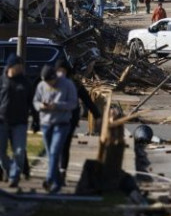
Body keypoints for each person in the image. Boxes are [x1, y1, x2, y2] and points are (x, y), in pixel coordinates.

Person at [55, 60, 101, 186]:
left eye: (62, 71)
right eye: (58, 71)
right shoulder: (54, 83)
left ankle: (62, 171)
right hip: (56, 118)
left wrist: (97, 115)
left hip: (70, 118)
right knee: (56, 146)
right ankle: (56, 171)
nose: (60, 74)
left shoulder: (74, 84)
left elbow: (86, 99)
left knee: (65, 144)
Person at [33, 65, 76, 194]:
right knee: (50, 154)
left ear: (54, 77)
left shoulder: (67, 84)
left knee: (55, 151)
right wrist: (41, 106)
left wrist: (56, 106)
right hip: (46, 123)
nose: (48, 84)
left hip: (61, 124)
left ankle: (49, 179)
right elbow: (35, 101)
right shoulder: (41, 85)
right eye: (45, 82)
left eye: (50, 82)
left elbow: (73, 103)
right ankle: (57, 184)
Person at [0, 55, 33, 187]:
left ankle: (14, 176)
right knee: (1, 153)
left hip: (20, 122)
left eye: (21, 67)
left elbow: (31, 102)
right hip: (2, 121)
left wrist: (35, 119)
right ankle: (8, 169)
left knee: (19, 152)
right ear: (10, 67)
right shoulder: (1, 81)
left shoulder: (25, 82)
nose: (19, 69)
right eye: (16, 67)